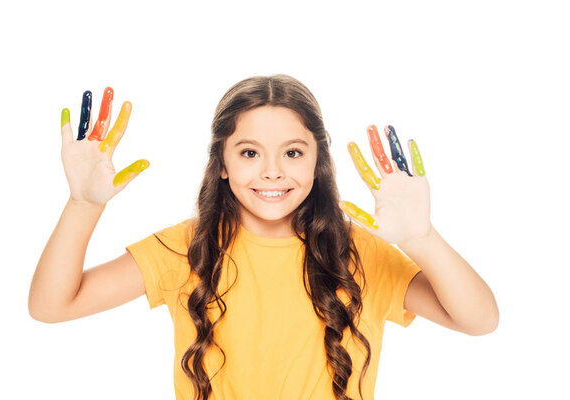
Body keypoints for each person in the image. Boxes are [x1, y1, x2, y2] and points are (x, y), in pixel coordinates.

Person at [28, 74, 499, 400]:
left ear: (318, 161)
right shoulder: (183, 249)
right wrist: (83, 205)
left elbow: (479, 320)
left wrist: (421, 237)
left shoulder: (358, 252)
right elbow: (51, 306)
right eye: (250, 151)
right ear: (223, 164)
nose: (272, 171)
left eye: (293, 152)